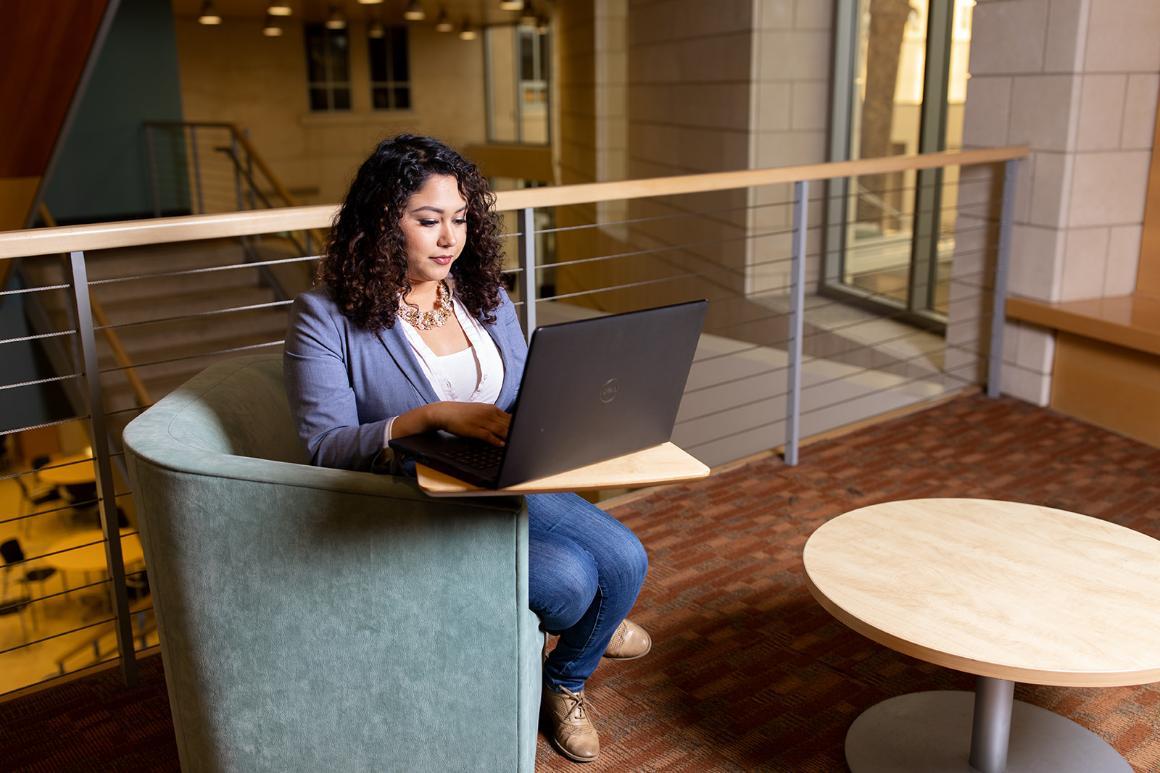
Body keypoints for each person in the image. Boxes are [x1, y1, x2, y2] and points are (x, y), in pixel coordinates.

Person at [282, 134, 652, 764]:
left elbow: (517, 395)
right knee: (570, 580)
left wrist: (565, 418)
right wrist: (428, 416)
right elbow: (325, 447)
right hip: (418, 493)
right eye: (427, 221)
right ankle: (582, 645)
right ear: (380, 223)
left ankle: (564, 676)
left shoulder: (481, 295)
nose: (448, 238)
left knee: (627, 559)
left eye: (459, 219)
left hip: (504, 472)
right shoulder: (327, 316)